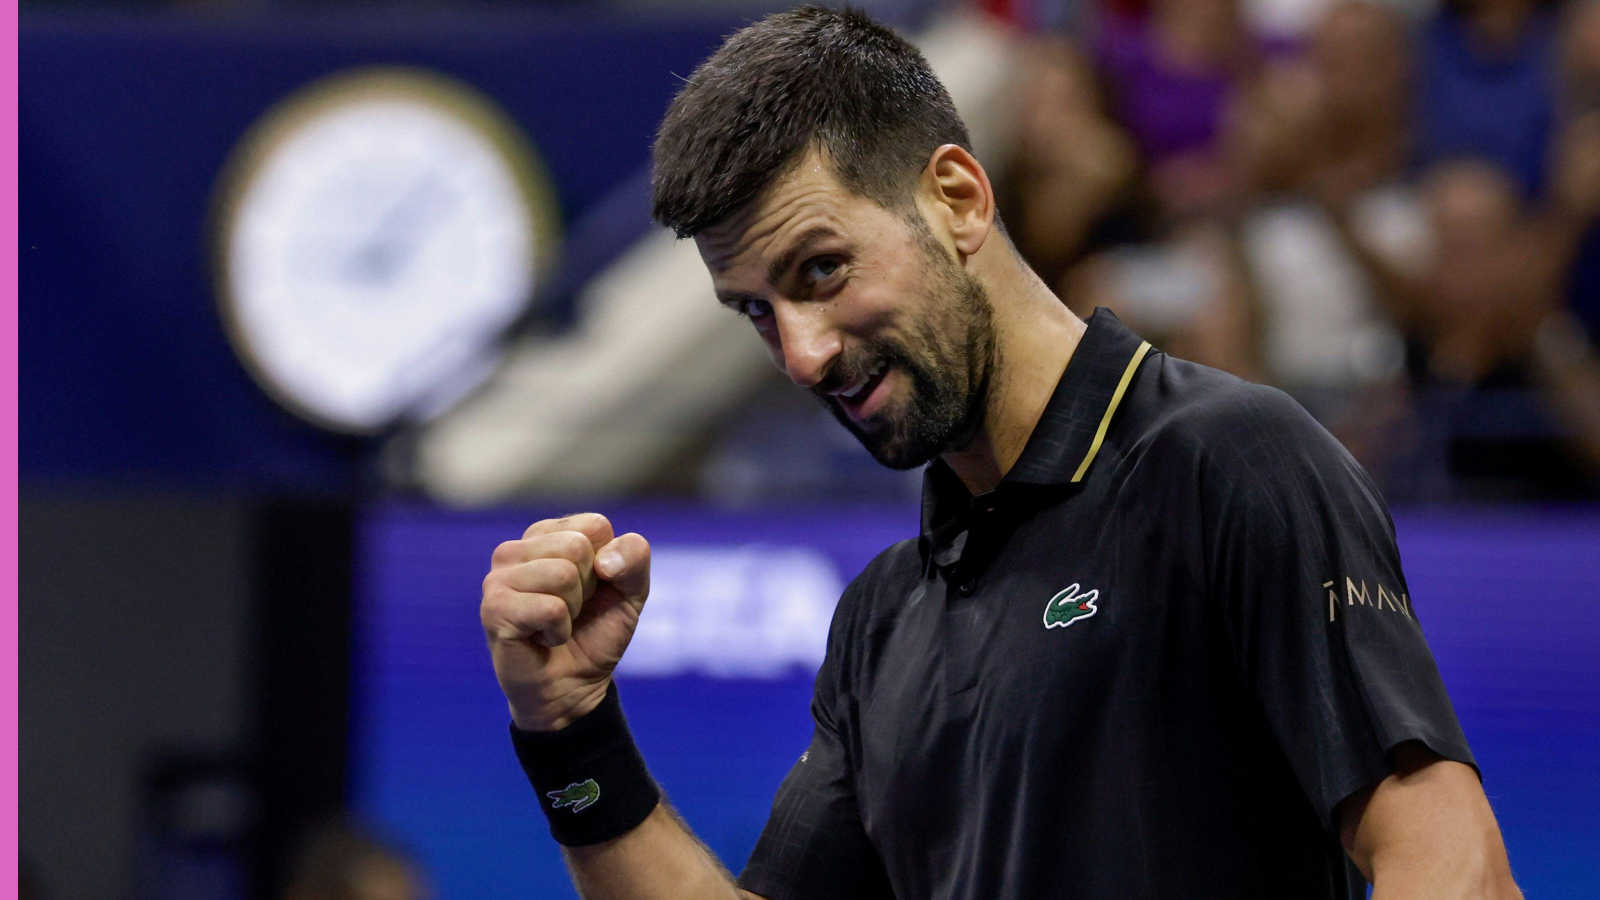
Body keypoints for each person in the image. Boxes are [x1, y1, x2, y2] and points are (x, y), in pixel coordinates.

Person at [479, 7, 1521, 898]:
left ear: (959, 198)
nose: (800, 354)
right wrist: (571, 731)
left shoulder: (1231, 461)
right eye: (756, 311)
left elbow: (1451, 858)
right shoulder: (882, 620)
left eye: (822, 270)